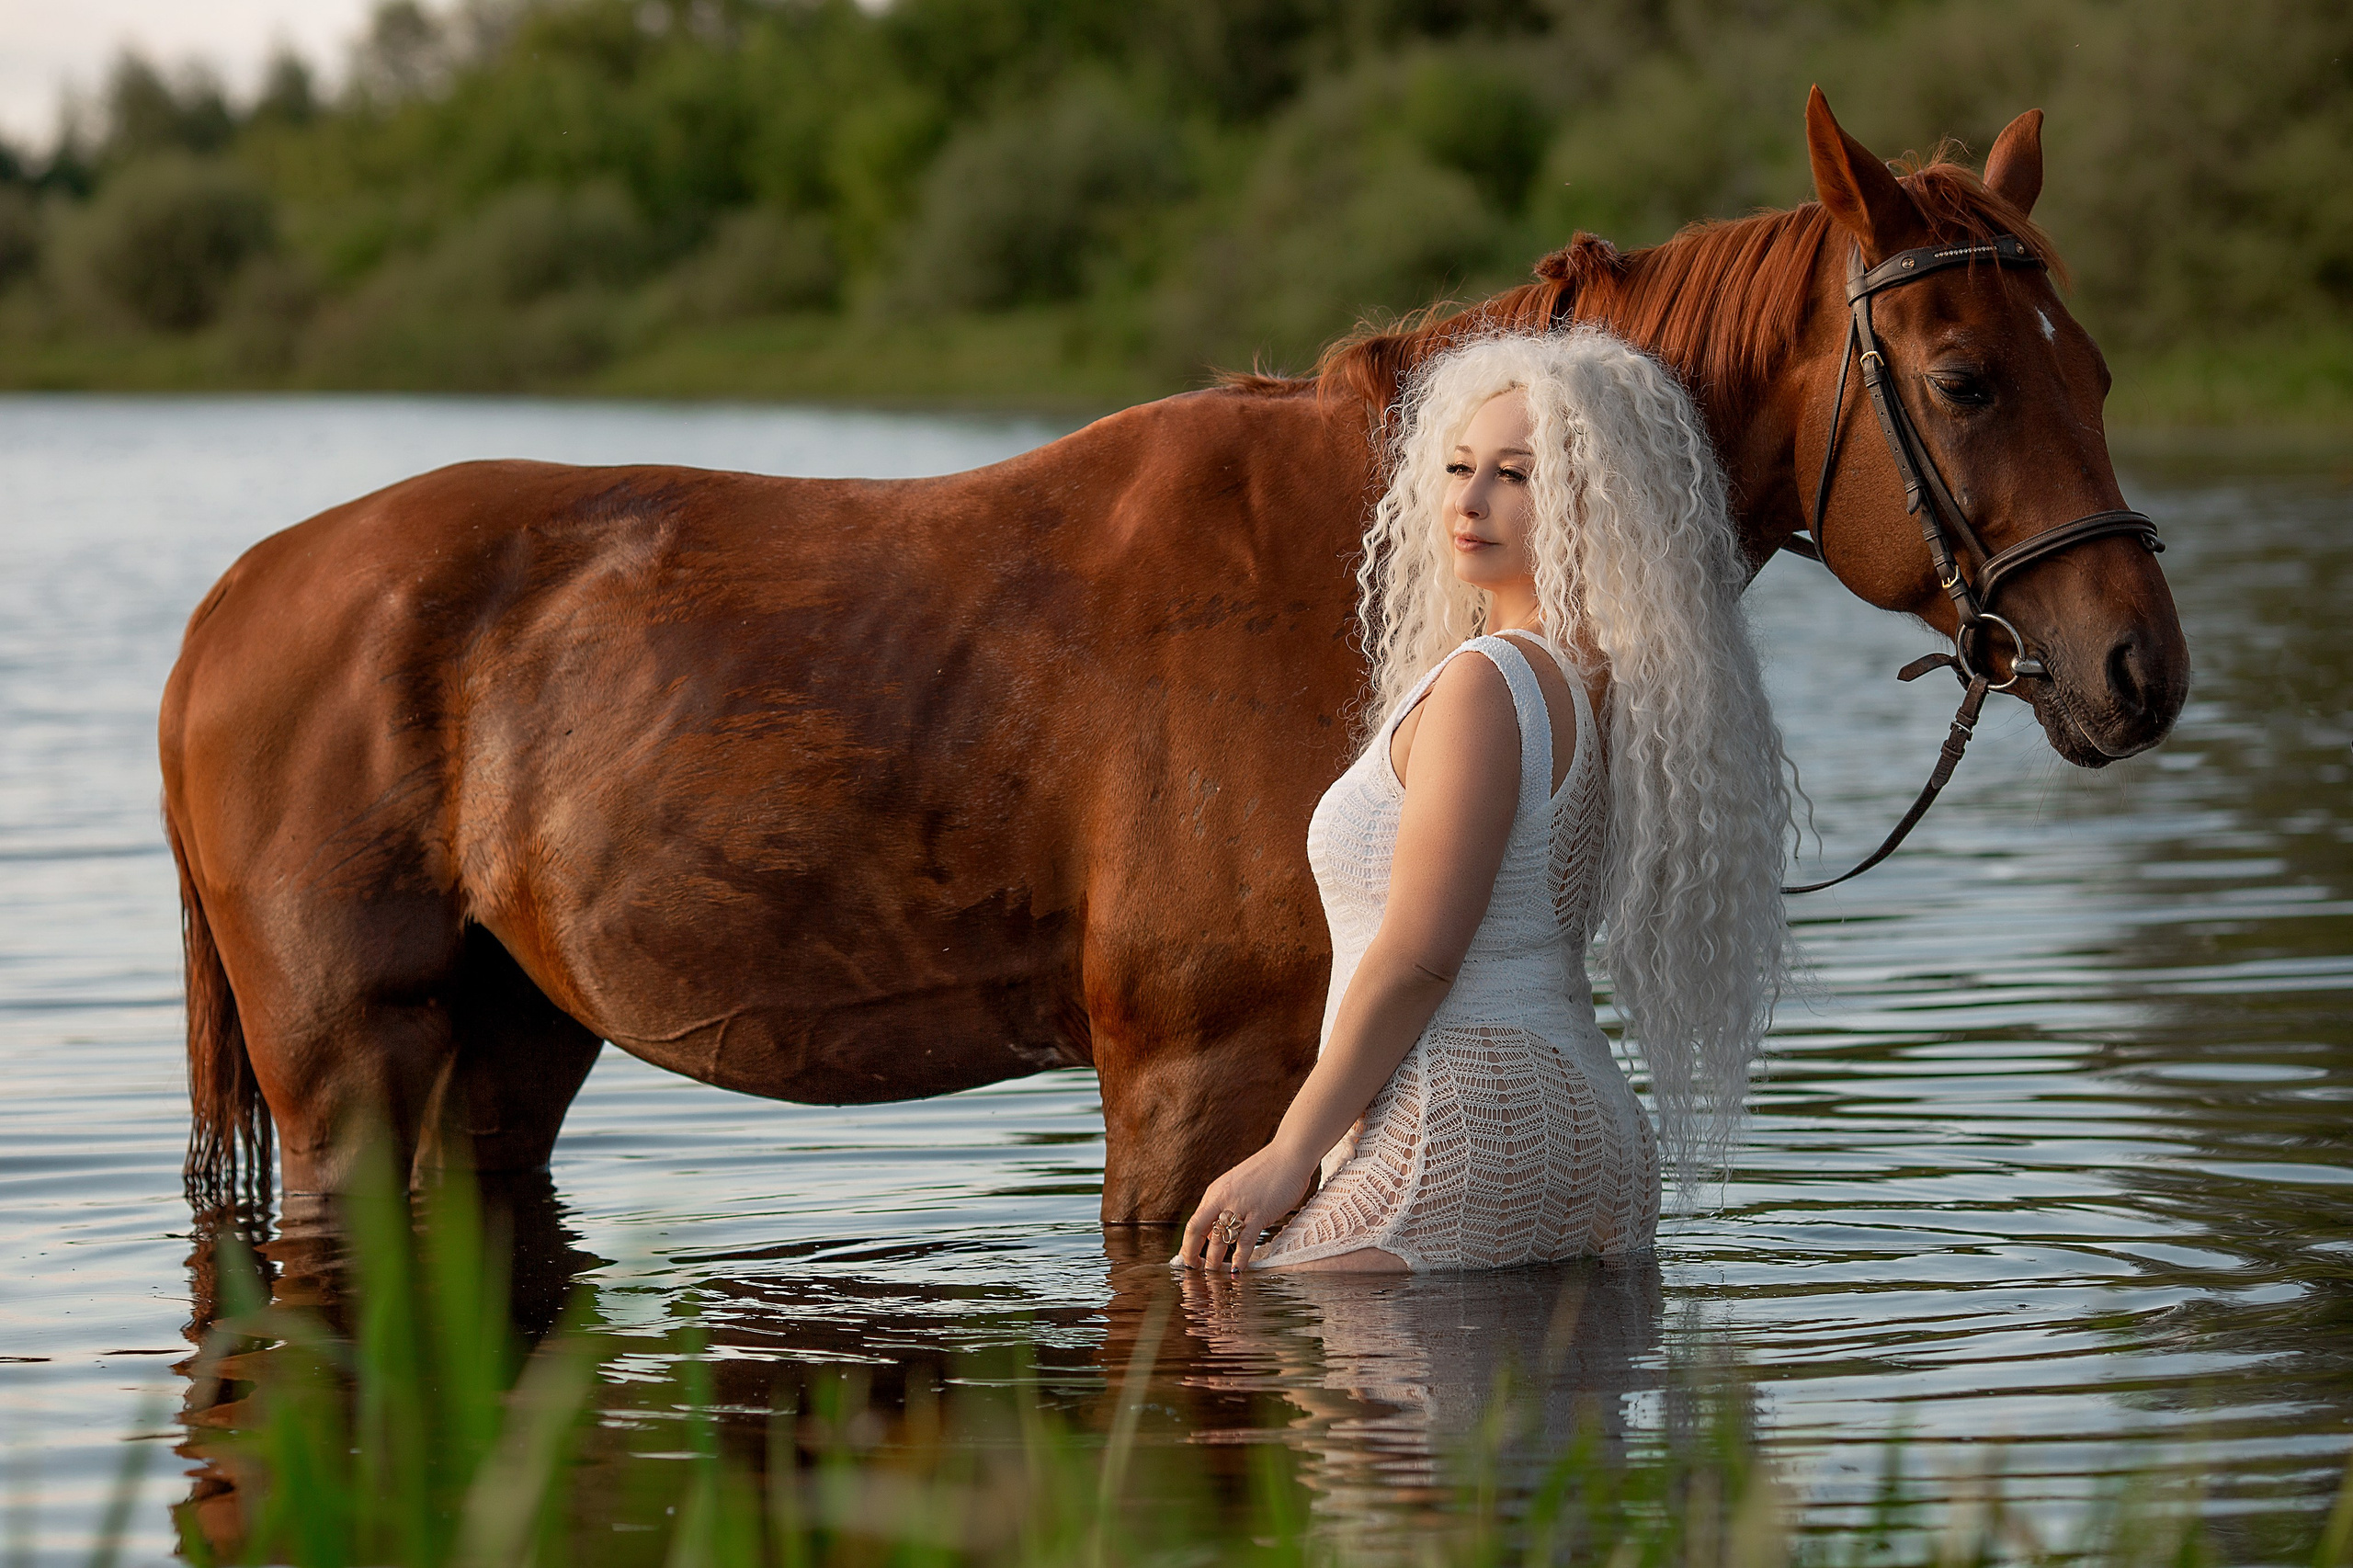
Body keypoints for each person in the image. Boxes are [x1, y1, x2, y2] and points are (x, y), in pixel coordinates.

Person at [1176, 329, 1792, 1273]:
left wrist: (1288, 1153)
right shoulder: (1610, 684)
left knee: (1221, 1320)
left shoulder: (1486, 681)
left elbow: (1421, 954)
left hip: (1457, 1126)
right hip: (1591, 1141)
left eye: (1516, 474)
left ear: (1598, 499)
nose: (1468, 501)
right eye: (1459, 467)